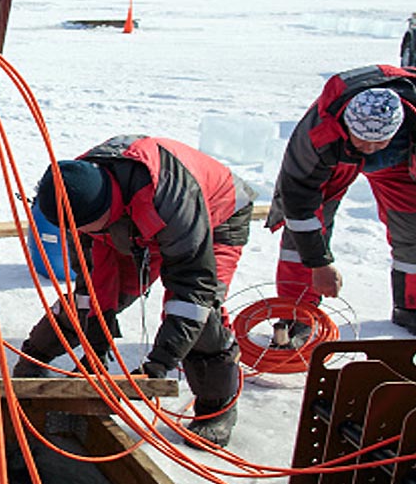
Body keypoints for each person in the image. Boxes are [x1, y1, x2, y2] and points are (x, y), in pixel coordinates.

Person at [14, 135, 256, 447]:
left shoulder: (172, 196)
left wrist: (160, 363)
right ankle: (35, 358)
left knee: (200, 313)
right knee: (95, 296)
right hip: (132, 219)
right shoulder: (74, 195)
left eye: (82, 229)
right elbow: (93, 286)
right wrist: (95, 348)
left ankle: (216, 409)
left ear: (102, 213)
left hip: (215, 214)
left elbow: (192, 288)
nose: (76, 235)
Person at [266, 65, 416, 343]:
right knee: (302, 232)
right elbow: (299, 205)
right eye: (363, 142)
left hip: (405, 155)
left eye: (377, 142)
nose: (369, 149)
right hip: (336, 157)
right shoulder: (317, 136)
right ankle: (297, 313)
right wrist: (319, 264)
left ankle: (412, 309)